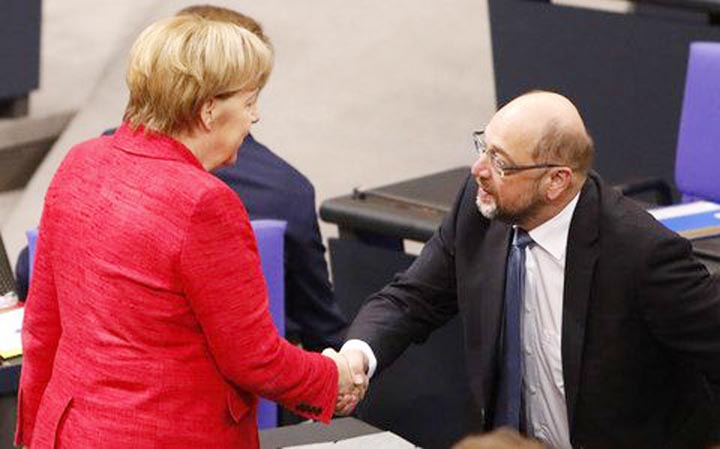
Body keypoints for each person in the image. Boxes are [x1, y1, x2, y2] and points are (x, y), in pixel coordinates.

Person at [16, 14, 363, 449]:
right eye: (251, 100)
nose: (255, 117)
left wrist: (34, 435)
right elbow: (253, 359)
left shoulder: (79, 163)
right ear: (209, 110)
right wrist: (334, 380)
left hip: (68, 434)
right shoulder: (205, 204)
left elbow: (42, 327)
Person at [339, 91, 720, 449]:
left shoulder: (641, 253)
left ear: (556, 180)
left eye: (500, 162)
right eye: (482, 147)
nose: (478, 170)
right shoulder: (479, 211)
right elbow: (413, 299)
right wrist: (356, 357)